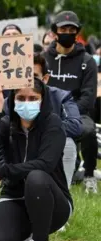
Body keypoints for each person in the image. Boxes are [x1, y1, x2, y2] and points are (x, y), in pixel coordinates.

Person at [0, 80, 73, 241]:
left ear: (43, 99)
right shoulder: (7, 124)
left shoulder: (53, 124)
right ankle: (28, 236)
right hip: (15, 196)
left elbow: (45, 164)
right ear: (13, 99)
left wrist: (2, 172)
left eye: (33, 98)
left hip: (53, 201)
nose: (27, 102)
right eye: (21, 98)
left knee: (36, 176)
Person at [3, 53, 82, 188]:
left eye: (33, 76)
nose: (28, 82)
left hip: (51, 150)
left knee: (68, 142)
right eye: (24, 76)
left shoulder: (61, 96)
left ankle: (63, 187)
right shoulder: (10, 100)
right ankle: (11, 183)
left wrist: (41, 129)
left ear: (45, 79)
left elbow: (76, 126)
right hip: (22, 148)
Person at [44, 10, 99, 193]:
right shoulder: (44, 59)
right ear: (55, 31)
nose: (67, 32)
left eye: (71, 29)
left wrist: (68, 114)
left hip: (77, 114)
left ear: (77, 33)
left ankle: (90, 175)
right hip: (46, 113)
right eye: (63, 28)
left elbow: (88, 98)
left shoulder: (87, 61)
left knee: (89, 131)